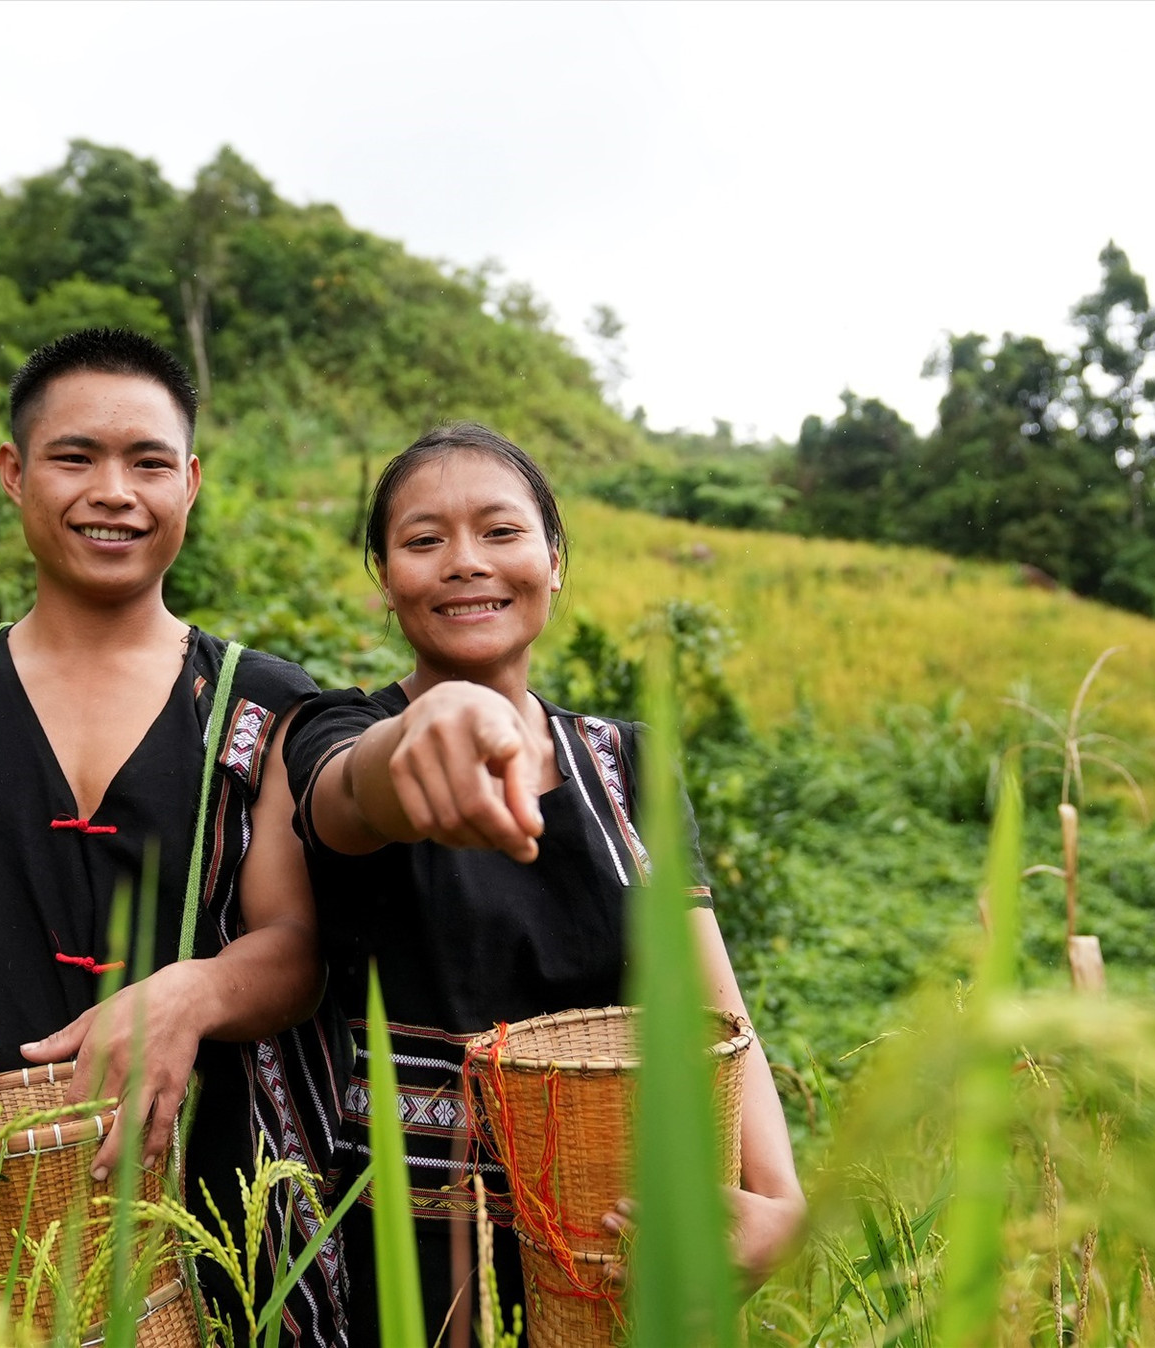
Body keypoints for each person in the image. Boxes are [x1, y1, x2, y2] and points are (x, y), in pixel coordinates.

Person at [0, 329, 348, 1346]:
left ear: (192, 482)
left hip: (221, 1206)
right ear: (13, 472)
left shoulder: (264, 705)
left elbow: (297, 948)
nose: (113, 491)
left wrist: (191, 990)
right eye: (76, 457)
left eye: (149, 462)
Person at [284, 423, 807, 1344]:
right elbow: (350, 795)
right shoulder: (336, 731)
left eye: (500, 531)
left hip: (609, 1248)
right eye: (422, 541)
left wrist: (781, 1200)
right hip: (400, 1268)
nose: (464, 563)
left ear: (554, 562)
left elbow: (712, 1008)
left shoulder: (626, 764)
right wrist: (432, 724)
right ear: (384, 579)